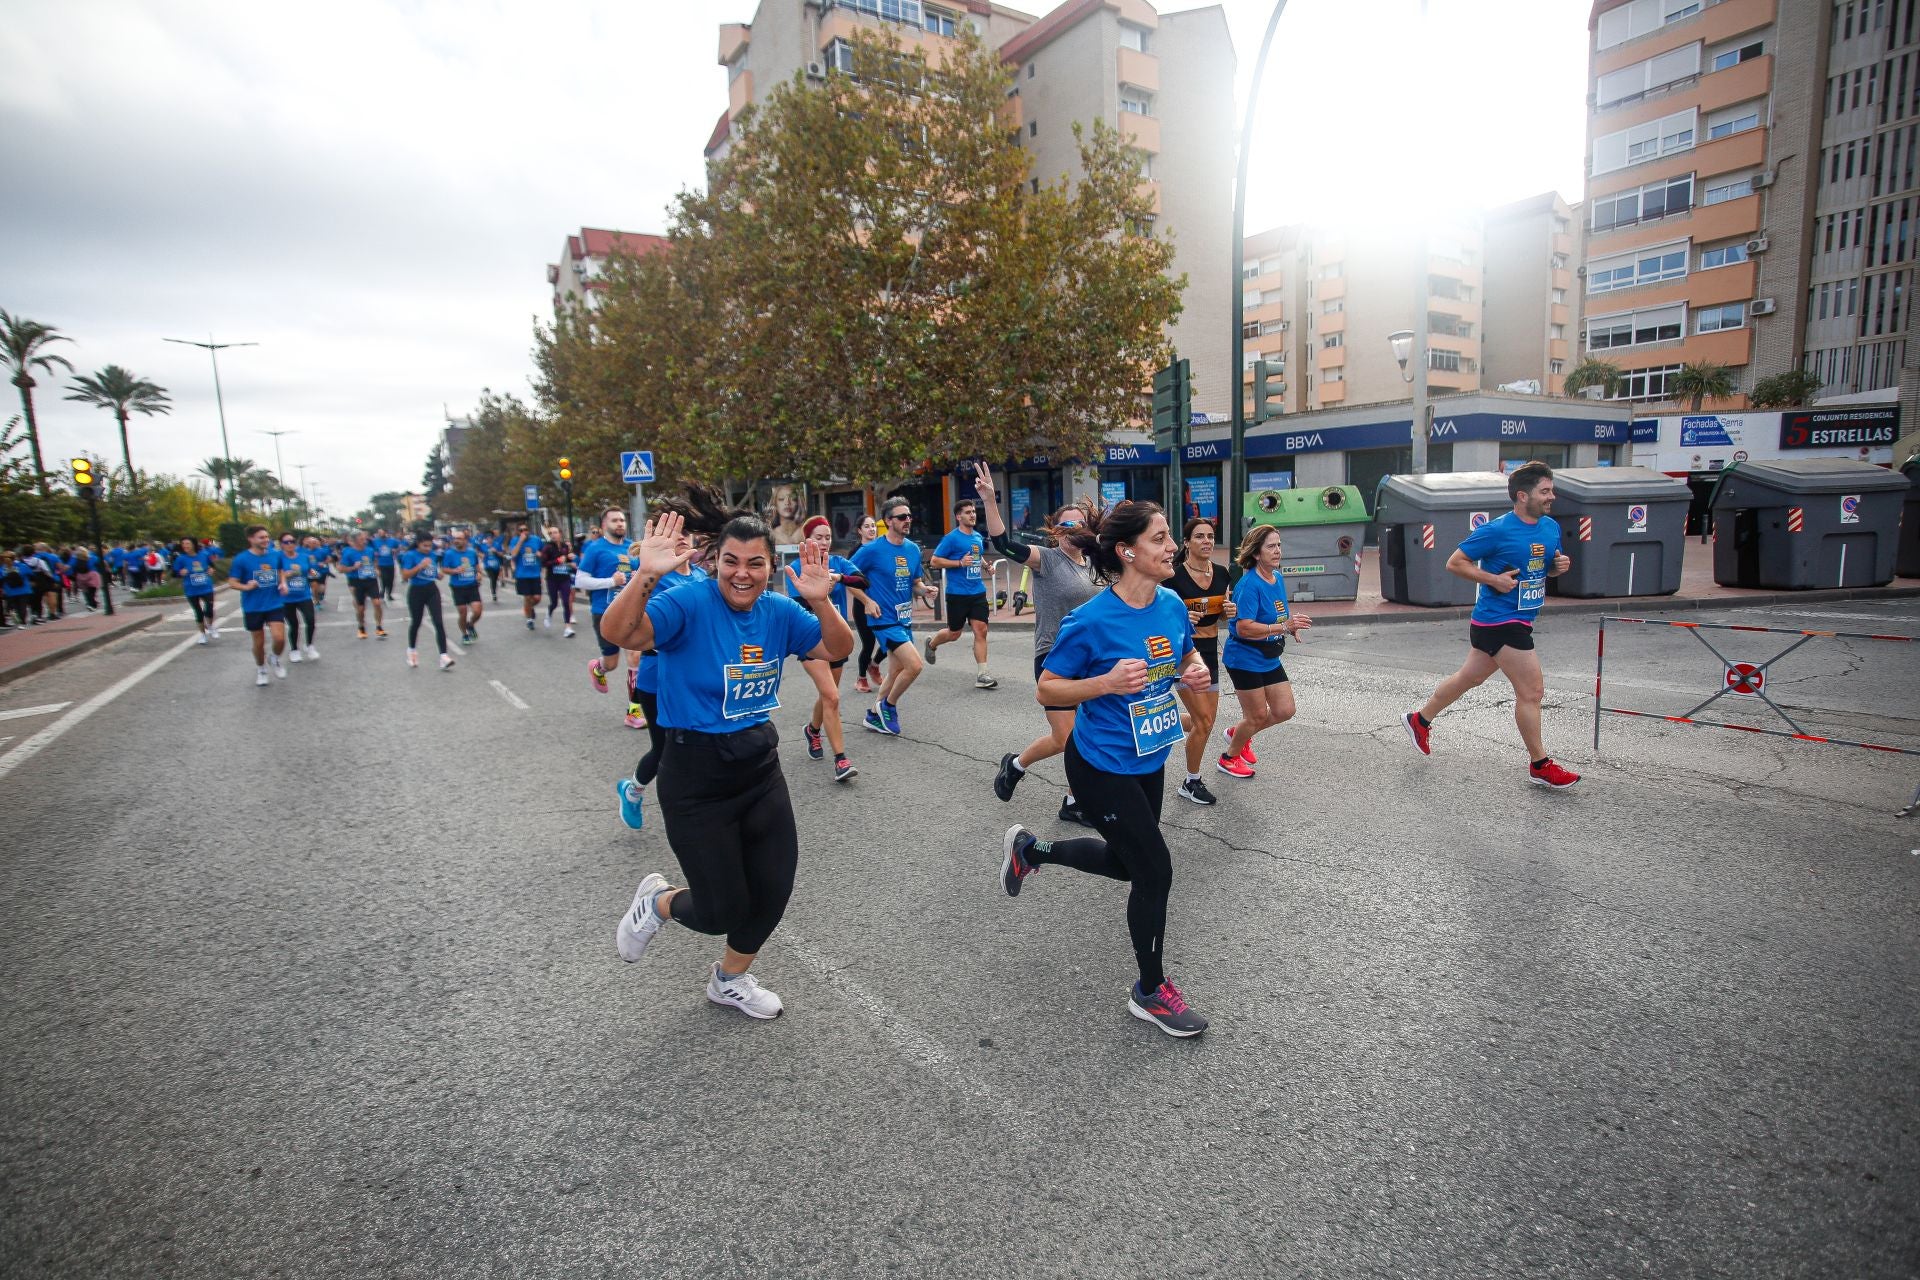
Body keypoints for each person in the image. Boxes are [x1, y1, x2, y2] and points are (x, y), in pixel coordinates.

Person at [603, 490, 853, 1020]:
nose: (743, 574)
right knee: (721, 908)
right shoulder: (688, 602)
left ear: (770, 566)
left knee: (773, 887)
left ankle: (729, 980)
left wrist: (822, 600)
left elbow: (837, 649)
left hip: (758, 766)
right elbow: (619, 631)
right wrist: (645, 574)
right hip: (695, 774)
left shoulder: (780, 611)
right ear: (715, 561)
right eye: (732, 562)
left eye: (755, 563)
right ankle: (659, 902)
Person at [999, 500, 1213, 1038]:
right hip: (1099, 767)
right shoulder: (1089, 620)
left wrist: (1195, 668)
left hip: (1149, 759)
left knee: (1129, 866)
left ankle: (1031, 850)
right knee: (1156, 871)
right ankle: (1149, 990)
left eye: (1171, 538)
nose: (1173, 548)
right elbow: (1048, 687)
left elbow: (1185, 655)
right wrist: (1104, 684)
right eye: (1162, 539)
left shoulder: (1168, 604)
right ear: (1127, 552)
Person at [1404, 460, 1578, 788]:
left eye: (1551, 490)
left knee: (1468, 678)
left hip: (1520, 618)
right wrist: (1493, 579)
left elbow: (1544, 568)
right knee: (1532, 691)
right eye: (1545, 491)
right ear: (1522, 496)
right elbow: (1455, 562)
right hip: (1499, 621)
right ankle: (1540, 764)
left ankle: (1419, 719)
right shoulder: (1497, 530)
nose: (1551, 496)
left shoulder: (1550, 528)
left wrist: (1558, 567)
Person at [974, 463, 1103, 827]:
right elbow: (1003, 544)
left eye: (1078, 523)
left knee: (1079, 737)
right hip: (1054, 658)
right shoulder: (1046, 559)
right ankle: (1073, 801)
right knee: (1069, 738)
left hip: (1092, 661)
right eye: (1064, 525)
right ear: (1054, 532)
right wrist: (989, 500)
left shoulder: (1095, 565)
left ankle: (1016, 765)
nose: (1071, 529)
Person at [614, 499, 708, 831]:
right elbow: (627, 623)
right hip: (658, 678)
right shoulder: (654, 578)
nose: (682, 537)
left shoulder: (700, 576)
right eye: (675, 531)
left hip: (696, 677)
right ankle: (634, 791)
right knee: (666, 748)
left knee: (700, 741)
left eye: (687, 531)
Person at [1217, 523, 1308, 780]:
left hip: (1268, 654)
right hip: (1244, 657)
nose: (1277, 550)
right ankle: (1229, 758)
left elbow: (1280, 608)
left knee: (1284, 710)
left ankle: (1239, 733)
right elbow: (1244, 627)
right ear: (1257, 553)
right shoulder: (1249, 585)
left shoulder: (1276, 577)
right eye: (1271, 546)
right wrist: (1281, 626)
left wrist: (1290, 627)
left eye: (1279, 545)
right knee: (1256, 715)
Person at [848, 496, 937, 735]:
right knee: (915, 665)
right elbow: (848, 578)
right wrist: (866, 601)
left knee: (896, 671)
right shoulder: (872, 550)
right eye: (901, 517)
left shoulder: (912, 549)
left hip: (904, 618)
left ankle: (874, 715)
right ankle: (888, 706)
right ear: (888, 521)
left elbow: (915, 583)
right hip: (883, 619)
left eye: (909, 516)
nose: (907, 520)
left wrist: (924, 590)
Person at [792, 515, 868, 783]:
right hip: (810, 642)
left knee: (829, 695)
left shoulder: (836, 562)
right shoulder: (797, 565)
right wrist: (818, 593)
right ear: (807, 539)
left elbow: (862, 581)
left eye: (827, 537)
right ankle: (841, 760)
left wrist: (838, 578)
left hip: (836, 640)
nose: (824, 542)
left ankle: (813, 730)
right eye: (818, 537)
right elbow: (795, 607)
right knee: (832, 697)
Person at [1167, 516, 1236, 804]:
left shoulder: (1222, 574)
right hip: (1183, 654)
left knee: (1205, 720)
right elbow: (1160, 616)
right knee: (1204, 722)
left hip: (1209, 650)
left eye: (1210, 536)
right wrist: (1182, 616)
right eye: (1199, 536)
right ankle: (1191, 781)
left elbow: (1218, 613)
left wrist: (1227, 612)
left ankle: (1162, 719)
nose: (1206, 541)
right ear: (1187, 542)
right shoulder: (1172, 577)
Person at [575, 506, 647, 729]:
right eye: (615, 520)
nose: (620, 524)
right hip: (604, 611)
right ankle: (599, 667)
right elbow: (580, 581)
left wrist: (638, 577)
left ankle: (633, 711)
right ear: (604, 524)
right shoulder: (595, 549)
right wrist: (610, 582)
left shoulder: (633, 547)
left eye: (622, 520)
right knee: (612, 662)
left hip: (632, 611)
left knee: (635, 657)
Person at [924, 495, 997, 690]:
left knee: (981, 630)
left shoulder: (977, 537)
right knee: (954, 633)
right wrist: (958, 563)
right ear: (958, 517)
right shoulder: (951, 539)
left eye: (973, 511)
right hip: (957, 594)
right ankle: (931, 643)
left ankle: (982, 674)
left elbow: (977, 557)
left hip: (977, 592)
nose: (972, 515)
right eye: (968, 512)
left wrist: (986, 567)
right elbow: (935, 561)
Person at [226, 525, 291, 685]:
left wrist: (283, 583)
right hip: (253, 606)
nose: (266, 540)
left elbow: (280, 571)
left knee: (280, 638)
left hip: (274, 603)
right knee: (259, 643)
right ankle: (261, 668)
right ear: (251, 539)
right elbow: (232, 582)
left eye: (267, 537)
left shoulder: (275, 555)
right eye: (261, 537)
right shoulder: (241, 559)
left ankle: (274, 658)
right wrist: (247, 587)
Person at [399, 531, 456, 670]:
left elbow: (433, 571)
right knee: (416, 622)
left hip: (432, 590)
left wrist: (439, 575)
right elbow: (405, 575)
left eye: (430, 545)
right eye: (425, 546)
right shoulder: (410, 555)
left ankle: (444, 656)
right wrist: (420, 566)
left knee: (438, 622)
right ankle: (411, 650)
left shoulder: (433, 555)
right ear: (418, 544)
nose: (428, 548)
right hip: (416, 591)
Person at [850, 514, 882, 693]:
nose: (872, 529)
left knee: (889, 642)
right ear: (859, 530)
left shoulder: (881, 549)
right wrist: (866, 600)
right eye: (867, 526)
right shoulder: (856, 553)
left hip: (883, 602)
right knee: (869, 643)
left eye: (873, 526)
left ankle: (875, 665)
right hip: (862, 605)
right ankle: (861, 678)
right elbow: (849, 581)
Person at [277, 533, 321, 663]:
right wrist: (286, 575)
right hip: (287, 598)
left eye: (292, 541)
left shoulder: (304, 557)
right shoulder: (279, 558)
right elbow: (274, 574)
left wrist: (313, 573)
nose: (290, 544)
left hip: (304, 595)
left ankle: (309, 646)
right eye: (286, 542)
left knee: (311, 620)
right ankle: (294, 650)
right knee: (293, 625)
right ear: (281, 545)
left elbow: (309, 570)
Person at [171, 536, 220, 645]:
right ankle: (202, 635)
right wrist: (180, 573)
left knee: (209, 608)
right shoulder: (181, 559)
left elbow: (211, 566)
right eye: (183, 544)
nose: (185, 546)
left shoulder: (204, 554)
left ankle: (211, 627)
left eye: (187, 543)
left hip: (206, 587)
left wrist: (211, 570)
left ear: (193, 544)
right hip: (191, 589)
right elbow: (174, 573)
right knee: (198, 612)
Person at [340, 531, 387, 639]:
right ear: (355, 541)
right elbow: (341, 569)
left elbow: (374, 561)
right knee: (361, 608)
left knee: (377, 603)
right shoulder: (349, 553)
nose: (364, 541)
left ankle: (379, 627)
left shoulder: (369, 550)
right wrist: (353, 568)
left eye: (365, 539)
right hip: (356, 581)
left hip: (371, 579)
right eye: (361, 539)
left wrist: (376, 569)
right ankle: (361, 627)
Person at [441, 529, 483, 645]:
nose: (456, 541)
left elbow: (476, 566)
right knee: (463, 612)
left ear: (465, 540)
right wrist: (454, 570)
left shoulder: (471, 552)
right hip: (458, 587)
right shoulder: (449, 554)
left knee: (477, 611)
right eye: (455, 539)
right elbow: (444, 569)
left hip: (472, 585)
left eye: (459, 539)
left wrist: (479, 574)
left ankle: (470, 625)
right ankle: (464, 634)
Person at [505, 521, 544, 631]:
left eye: (525, 530)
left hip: (535, 573)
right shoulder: (515, 540)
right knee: (527, 597)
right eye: (521, 530)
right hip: (522, 574)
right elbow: (513, 554)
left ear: (529, 530)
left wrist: (540, 555)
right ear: (518, 532)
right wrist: (520, 541)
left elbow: (543, 552)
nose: (524, 532)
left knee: (537, 598)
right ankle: (529, 619)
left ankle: (529, 608)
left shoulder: (536, 540)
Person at [541, 525, 577, 638]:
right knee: (554, 603)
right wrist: (557, 561)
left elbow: (566, 558)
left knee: (566, 602)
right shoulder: (547, 547)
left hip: (564, 577)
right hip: (552, 579)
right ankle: (549, 612)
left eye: (555, 532)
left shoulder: (565, 546)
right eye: (551, 533)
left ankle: (568, 627)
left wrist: (570, 557)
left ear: (560, 534)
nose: (553, 535)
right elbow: (543, 563)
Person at [763, 481, 806, 547]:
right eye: (781, 499)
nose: (787, 503)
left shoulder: (807, 531)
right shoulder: (771, 535)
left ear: (798, 502)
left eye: (792, 499)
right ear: (775, 504)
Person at [304, 535, 332, 616]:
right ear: (308, 543)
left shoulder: (322, 551)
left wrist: (323, 563)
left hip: (322, 571)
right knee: (314, 586)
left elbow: (329, 558)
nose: (313, 544)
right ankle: (316, 601)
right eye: (311, 543)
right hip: (312, 571)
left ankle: (319, 595)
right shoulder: (305, 552)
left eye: (314, 543)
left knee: (321, 588)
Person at [373, 528, 400, 602]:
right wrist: (375, 554)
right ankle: (383, 591)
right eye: (379, 533)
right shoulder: (375, 541)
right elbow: (372, 549)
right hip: (381, 563)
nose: (381, 534)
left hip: (390, 563)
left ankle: (389, 594)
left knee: (390, 580)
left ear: (386, 533)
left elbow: (398, 547)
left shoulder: (392, 541)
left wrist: (395, 550)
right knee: (384, 578)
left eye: (382, 532)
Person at [481, 533, 503, 602]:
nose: (489, 540)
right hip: (488, 565)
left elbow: (501, 554)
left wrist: (496, 551)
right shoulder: (483, 546)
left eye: (491, 538)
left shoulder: (497, 545)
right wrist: (483, 555)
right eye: (488, 539)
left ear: (492, 539)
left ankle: (494, 591)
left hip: (496, 565)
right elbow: (480, 554)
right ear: (486, 540)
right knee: (492, 578)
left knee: (495, 579)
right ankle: (493, 593)